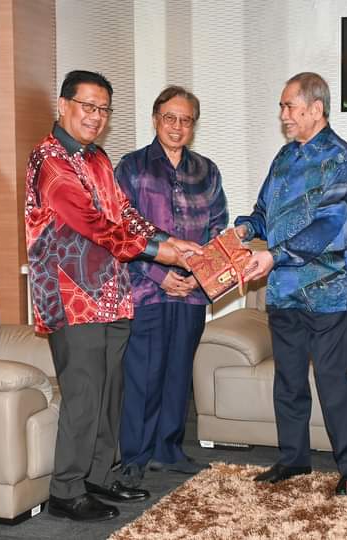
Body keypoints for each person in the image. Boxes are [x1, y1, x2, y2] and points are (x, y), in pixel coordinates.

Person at [24, 71, 202, 522]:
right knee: (84, 395)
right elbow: (94, 224)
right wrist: (161, 251)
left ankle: (97, 478)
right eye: (88, 106)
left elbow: (124, 214)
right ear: (63, 105)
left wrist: (170, 241)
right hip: (71, 295)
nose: (96, 117)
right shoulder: (49, 160)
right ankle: (66, 491)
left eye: (103, 109)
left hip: (112, 292)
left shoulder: (98, 158)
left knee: (109, 395)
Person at [235, 72, 347, 495]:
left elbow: (328, 225)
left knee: (332, 381)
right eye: (282, 107)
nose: (283, 115)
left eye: (289, 106)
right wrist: (246, 227)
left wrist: (273, 255)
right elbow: (264, 212)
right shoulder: (284, 157)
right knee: (289, 380)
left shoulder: (341, 158)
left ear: (316, 108)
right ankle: (293, 460)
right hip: (283, 291)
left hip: (328, 291)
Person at [115, 86, 228, 487]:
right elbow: (122, 230)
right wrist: (160, 274)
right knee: (144, 376)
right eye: (170, 118)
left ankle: (168, 450)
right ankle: (134, 457)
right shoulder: (131, 168)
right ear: (155, 120)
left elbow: (218, 227)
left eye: (186, 120)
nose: (177, 127)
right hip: (146, 289)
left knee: (179, 372)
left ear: (193, 126)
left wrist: (199, 274)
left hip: (193, 291)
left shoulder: (207, 171)